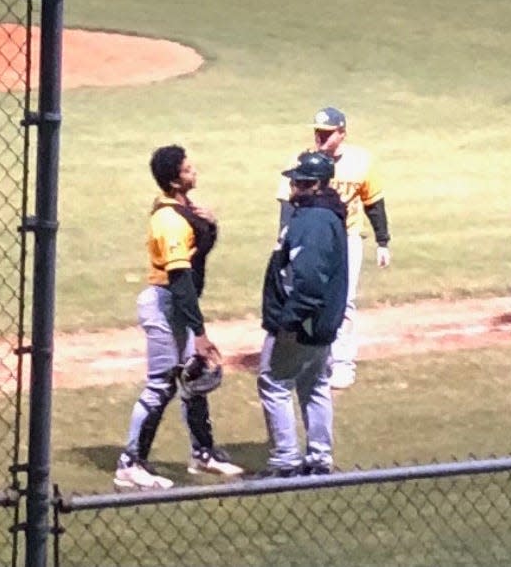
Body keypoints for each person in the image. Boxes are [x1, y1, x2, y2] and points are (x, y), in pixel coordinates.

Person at [114, 144, 243, 490]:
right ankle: (129, 464)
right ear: (173, 181)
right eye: (187, 169)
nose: (194, 171)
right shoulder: (169, 220)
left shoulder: (184, 210)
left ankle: (204, 454)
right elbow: (181, 279)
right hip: (166, 304)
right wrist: (199, 333)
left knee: (194, 379)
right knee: (162, 385)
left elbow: (197, 255)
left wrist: (210, 227)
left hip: (178, 304)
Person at [275, 107, 391, 390]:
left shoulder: (361, 162)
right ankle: (308, 358)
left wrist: (383, 241)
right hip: (308, 239)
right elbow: (286, 203)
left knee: (344, 301)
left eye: (327, 134)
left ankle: (342, 364)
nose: (321, 138)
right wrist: (283, 241)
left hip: (346, 239)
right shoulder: (302, 160)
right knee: (305, 296)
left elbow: (373, 203)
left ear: (342, 133)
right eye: (318, 132)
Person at [257, 151, 348, 477]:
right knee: (314, 384)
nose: (291, 185)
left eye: (296, 180)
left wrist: (289, 323)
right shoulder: (327, 215)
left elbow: (309, 280)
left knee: (274, 383)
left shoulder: (313, 222)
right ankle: (319, 459)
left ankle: (285, 461)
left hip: (304, 323)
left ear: (311, 184)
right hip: (321, 323)